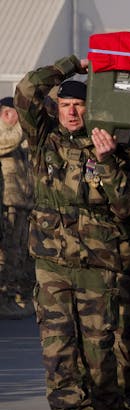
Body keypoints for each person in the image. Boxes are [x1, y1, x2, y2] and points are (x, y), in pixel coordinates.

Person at [15, 55, 130, 410]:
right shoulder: (42, 140)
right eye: (66, 105)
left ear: (91, 109)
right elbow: (26, 89)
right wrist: (73, 64)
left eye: (79, 105)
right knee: (58, 356)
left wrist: (107, 162)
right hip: (51, 266)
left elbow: (128, 205)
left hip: (95, 268)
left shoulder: (108, 146)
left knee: (99, 358)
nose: (71, 112)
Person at [0, 96, 34, 319]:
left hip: (22, 203)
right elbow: (9, 141)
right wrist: (24, 123)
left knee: (20, 252)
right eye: (16, 113)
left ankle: (18, 295)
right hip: (8, 203)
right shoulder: (6, 134)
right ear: (5, 113)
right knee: (8, 253)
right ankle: (5, 299)